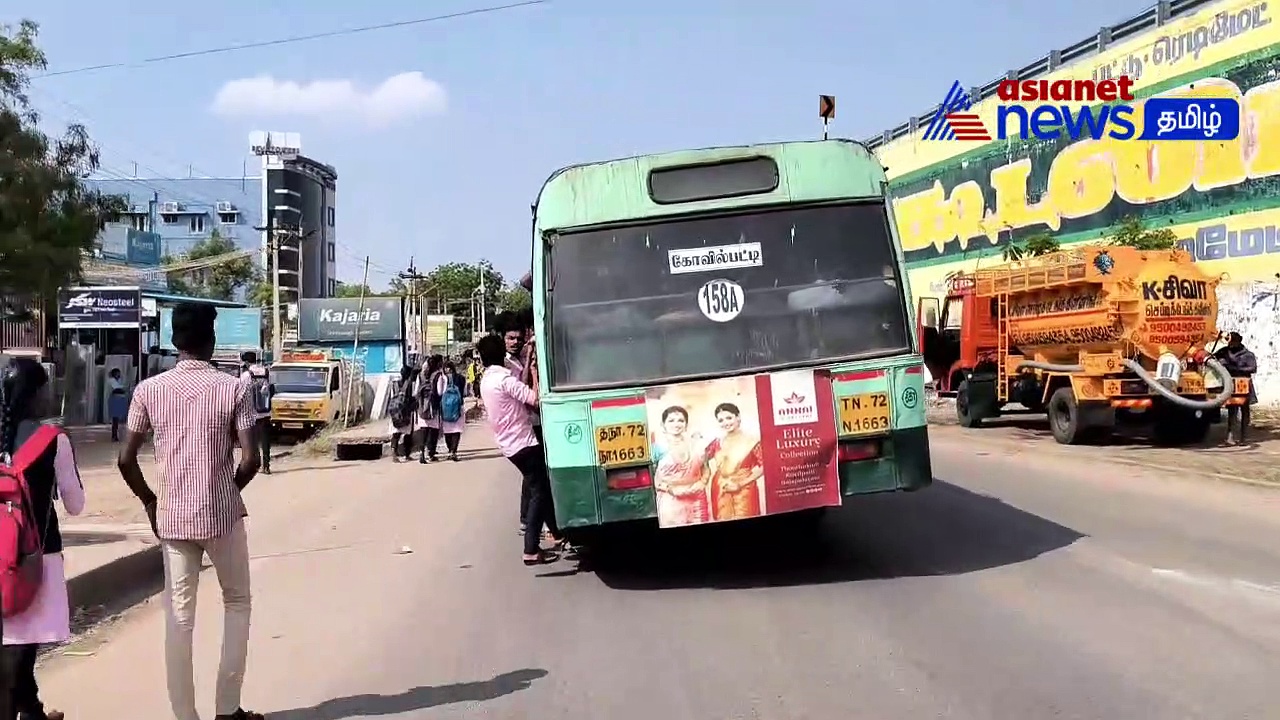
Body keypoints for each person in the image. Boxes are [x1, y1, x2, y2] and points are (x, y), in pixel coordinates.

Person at [117, 303, 263, 720]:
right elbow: (250, 459)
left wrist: (150, 500)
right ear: (211, 341)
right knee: (237, 601)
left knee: (179, 617)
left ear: (174, 342)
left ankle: (185, 716)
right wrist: (224, 493)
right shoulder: (235, 388)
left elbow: (126, 459)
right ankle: (227, 709)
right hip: (221, 518)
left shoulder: (149, 390)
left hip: (174, 519)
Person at [0, 358, 84, 720]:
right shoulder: (54, 440)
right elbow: (76, 504)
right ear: (36, 394)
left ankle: (32, 710)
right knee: (21, 649)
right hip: (37, 556)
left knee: (12, 652)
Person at [477, 334, 565, 565]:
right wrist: (535, 374)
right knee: (540, 492)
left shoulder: (487, 380)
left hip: (509, 443)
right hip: (523, 441)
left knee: (540, 487)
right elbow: (534, 399)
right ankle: (531, 549)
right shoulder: (505, 380)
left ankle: (557, 534)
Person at [652, 406, 710, 527]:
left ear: (686, 424)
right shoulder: (657, 448)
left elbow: (706, 468)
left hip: (697, 499)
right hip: (670, 500)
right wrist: (670, 489)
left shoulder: (697, 445)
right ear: (663, 425)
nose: (676, 424)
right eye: (671, 420)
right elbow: (653, 477)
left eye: (681, 420)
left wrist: (702, 483)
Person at [706, 403, 764, 521]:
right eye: (721, 420)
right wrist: (705, 477)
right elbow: (701, 460)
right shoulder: (717, 442)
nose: (726, 423)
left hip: (744, 489)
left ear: (738, 417)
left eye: (729, 418)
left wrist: (740, 484)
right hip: (721, 489)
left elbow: (765, 466)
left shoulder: (752, 441)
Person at [1214, 331, 1259, 445]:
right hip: (1231, 384)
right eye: (1230, 342)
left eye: (1234, 342)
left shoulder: (1248, 355)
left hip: (1244, 385)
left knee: (1245, 412)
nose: (1232, 344)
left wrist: (1234, 368)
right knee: (1232, 412)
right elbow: (1212, 357)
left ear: (1239, 341)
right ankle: (1230, 437)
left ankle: (1244, 437)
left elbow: (1252, 368)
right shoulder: (1224, 352)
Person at [239, 352, 274, 475]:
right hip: (266, 411)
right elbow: (271, 389)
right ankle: (266, 466)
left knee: (253, 441)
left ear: (247, 362)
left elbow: (241, 394)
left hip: (252, 413)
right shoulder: (266, 372)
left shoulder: (246, 375)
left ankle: (256, 465)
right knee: (265, 440)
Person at [435, 360, 467, 461]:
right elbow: (465, 393)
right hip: (458, 407)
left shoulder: (442, 378)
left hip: (445, 408)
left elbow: (439, 392)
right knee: (456, 430)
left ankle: (450, 451)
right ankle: (453, 451)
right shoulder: (461, 378)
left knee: (447, 431)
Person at [416, 355, 445, 463]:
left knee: (423, 430)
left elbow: (416, 391)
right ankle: (431, 454)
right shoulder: (438, 375)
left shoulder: (420, 375)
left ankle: (421, 452)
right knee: (433, 431)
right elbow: (440, 392)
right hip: (434, 407)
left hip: (422, 407)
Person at [388, 365, 418, 462]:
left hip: (394, 411)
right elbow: (414, 396)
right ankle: (407, 454)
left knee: (396, 433)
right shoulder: (410, 384)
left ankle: (394, 451)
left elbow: (392, 397)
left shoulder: (394, 384)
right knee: (407, 434)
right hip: (406, 412)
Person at [106, 367, 128, 442]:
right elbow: (117, 389)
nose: (118, 374)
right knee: (115, 420)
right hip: (114, 401)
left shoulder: (120, 380)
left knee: (119, 420)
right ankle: (114, 436)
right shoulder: (111, 381)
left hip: (120, 401)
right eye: (117, 373)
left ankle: (119, 435)